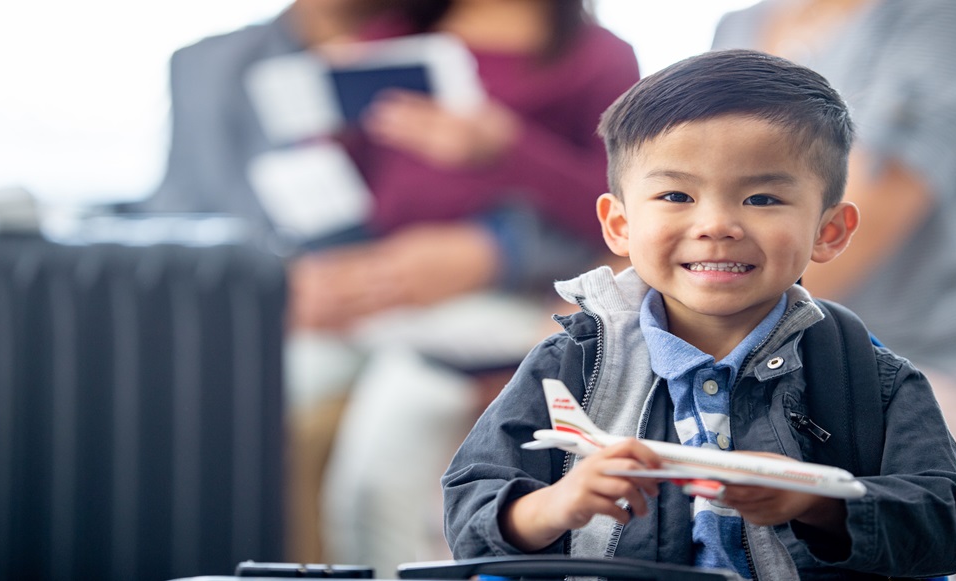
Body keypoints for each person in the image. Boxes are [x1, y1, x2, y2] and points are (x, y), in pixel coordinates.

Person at [442, 49, 956, 579]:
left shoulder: (867, 375)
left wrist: (820, 502)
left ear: (829, 231)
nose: (717, 224)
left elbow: (950, 524)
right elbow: (470, 511)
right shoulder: (570, 365)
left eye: (763, 199)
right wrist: (555, 506)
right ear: (620, 226)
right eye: (677, 195)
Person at [137, 0, 640, 567]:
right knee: (229, 414)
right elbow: (335, 177)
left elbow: (624, 209)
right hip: (380, 296)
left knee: (376, 480)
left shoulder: (597, 57)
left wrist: (506, 150)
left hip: (498, 306)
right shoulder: (393, 37)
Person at [710, 0, 956, 483]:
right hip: (787, 354)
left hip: (938, 367)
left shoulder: (952, 14)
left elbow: (849, 231)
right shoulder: (739, 25)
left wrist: (678, 326)